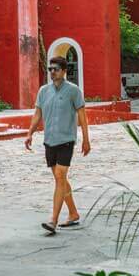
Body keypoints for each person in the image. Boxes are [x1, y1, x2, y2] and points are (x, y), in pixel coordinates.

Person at [24, 55, 91, 235]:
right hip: (49, 140)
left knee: (61, 176)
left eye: (56, 69)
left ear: (64, 71)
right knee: (60, 179)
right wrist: (30, 133)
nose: (52, 72)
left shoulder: (74, 91)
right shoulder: (43, 91)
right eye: (50, 69)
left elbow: (82, 117)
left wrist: (86, 139)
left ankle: (53, 220)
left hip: (66, 140)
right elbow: (37, 114)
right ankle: (73, 213)